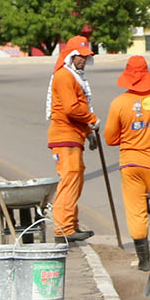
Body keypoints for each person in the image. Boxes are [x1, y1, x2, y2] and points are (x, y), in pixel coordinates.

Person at [103, 54, 150, 271]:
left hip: (130, 164)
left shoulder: (119, 103)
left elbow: (110, 138)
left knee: (136, 211)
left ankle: (144, 260)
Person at [48, 36, 98, 243]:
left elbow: (79, 106)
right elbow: (72, 109)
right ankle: (63, 229)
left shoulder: (73, 76)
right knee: (69, 180)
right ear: (70, 55)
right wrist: (92, 120)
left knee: (74, 180)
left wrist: (88, 133)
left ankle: (71, 224)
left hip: (73, 136)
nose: (83, 60)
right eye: (80, 56)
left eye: (86, 56)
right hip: (65, 137)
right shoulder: (64, 76)